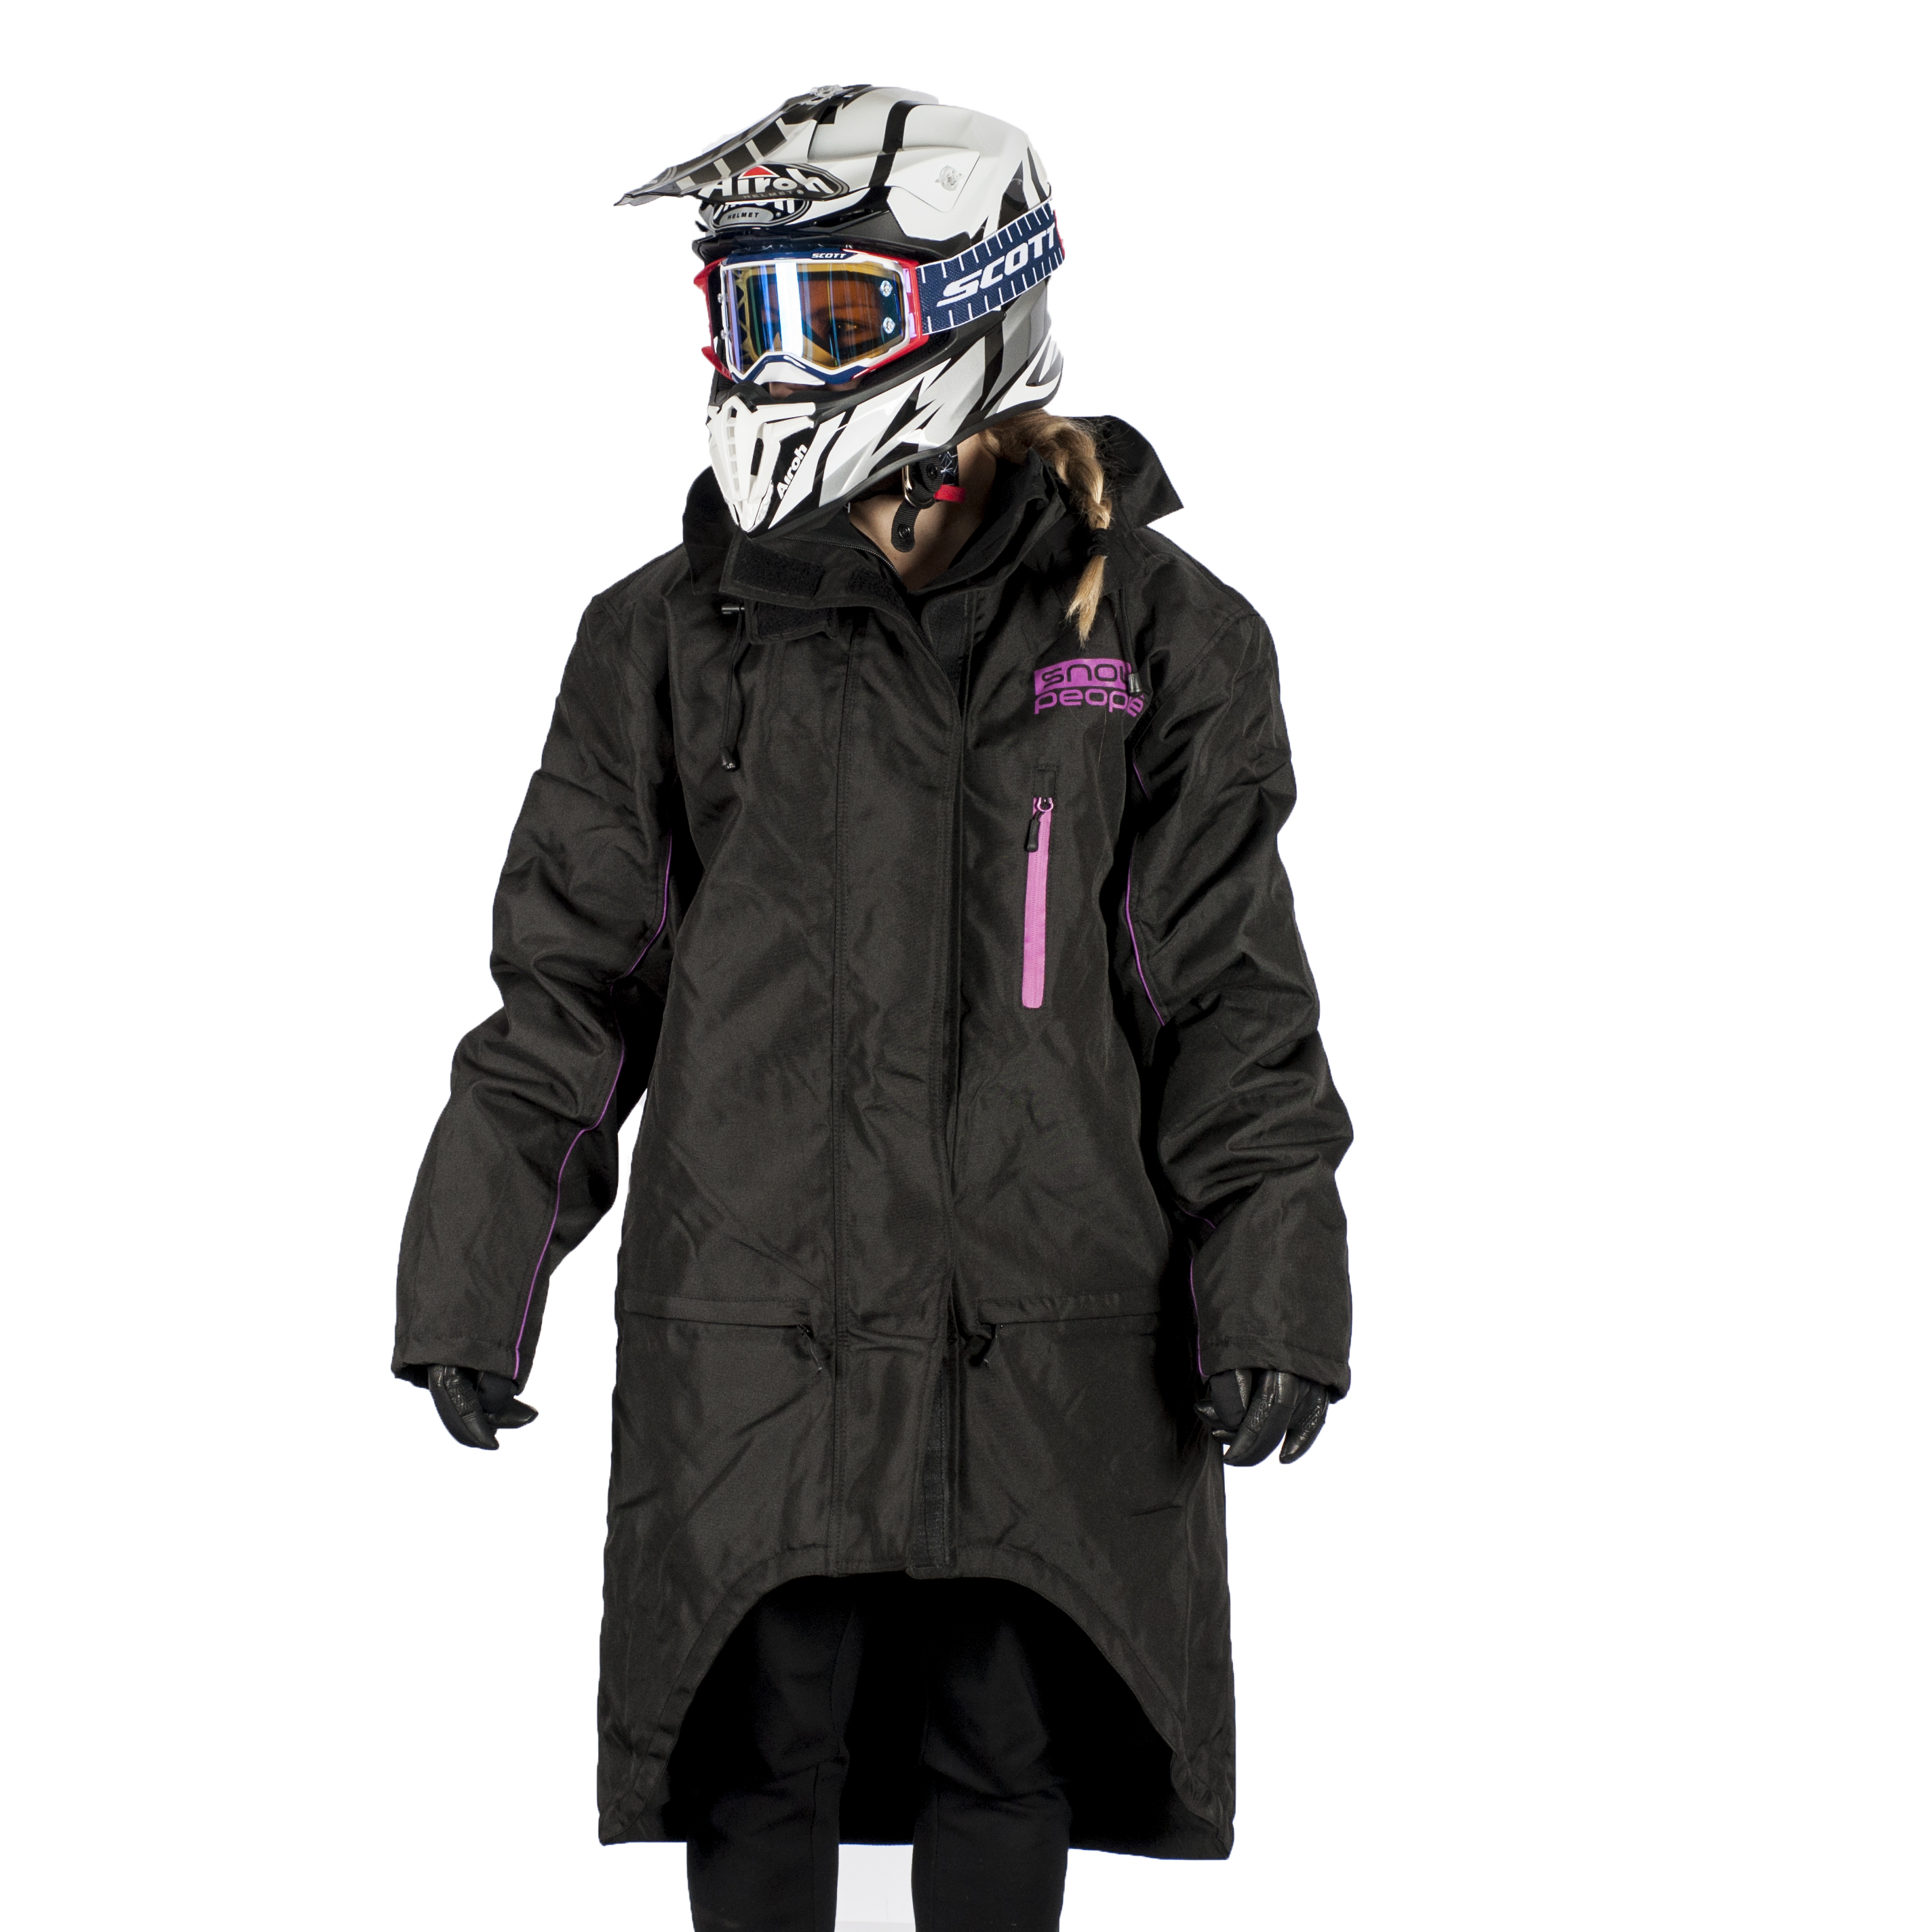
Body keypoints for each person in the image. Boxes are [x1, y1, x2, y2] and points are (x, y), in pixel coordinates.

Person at [394, 85, 1354, 1932]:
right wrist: (476, 1266)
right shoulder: (667, 638)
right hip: (762, 1326)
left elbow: (1226, 988)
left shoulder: (1159, 636)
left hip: (1048, 1323)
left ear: (979, 298)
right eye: (745, 310)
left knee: (1007, 1746)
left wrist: (1275, 1275)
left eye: (825, 312)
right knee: (762, 1752)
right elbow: (572, 984)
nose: (775, 362)